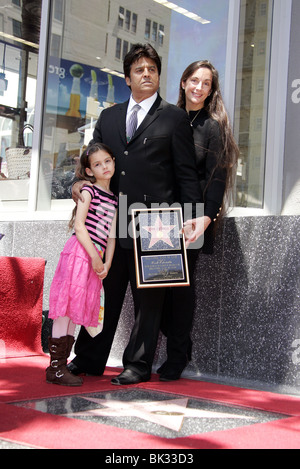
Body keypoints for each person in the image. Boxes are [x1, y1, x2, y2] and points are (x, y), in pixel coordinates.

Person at [68, 43, 204, 386]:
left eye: (152, 69)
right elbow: (92, 162)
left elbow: (186, 174)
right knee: (106, 292)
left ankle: (138, 365)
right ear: (127, 78)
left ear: (158, 76)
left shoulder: (174, 117)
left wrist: (194, 222)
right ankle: (88, 358)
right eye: (140, 69)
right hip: (109, 223)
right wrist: (79, 184)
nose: (147, 74)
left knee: (150, 299)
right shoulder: (109, 117)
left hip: (158, 224)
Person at [158, 60, 239, 381]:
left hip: (193, 220)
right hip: (160, 218)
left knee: (180, 288)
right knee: (156, 286)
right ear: (182, 83)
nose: (198, 88)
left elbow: (217, 177)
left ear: (211, 90)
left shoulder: (213, 126)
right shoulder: (168, 119)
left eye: (206, 83)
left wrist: (207, 217)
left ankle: (178, 354)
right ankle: (176, 342)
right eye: (194, 80)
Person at [46, 143, 117, 386]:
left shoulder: (114, 199)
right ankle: (55, 367)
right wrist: (96, 258)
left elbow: (111, 235)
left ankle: (61, 365)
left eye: (107, 161)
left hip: (95, 258)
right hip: (80, 253)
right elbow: (79, 226)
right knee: (65, 308)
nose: (104, 167)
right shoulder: (89, 192)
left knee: (74, 310)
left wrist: (106, 262)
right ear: (89, 171)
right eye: (97, 164)